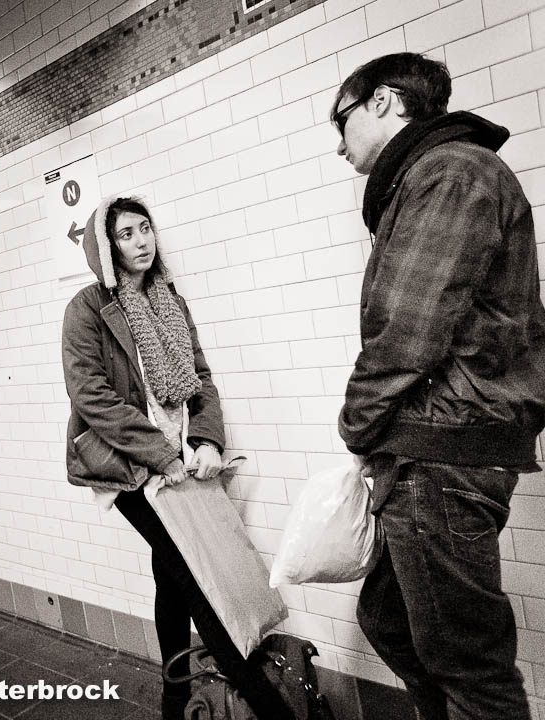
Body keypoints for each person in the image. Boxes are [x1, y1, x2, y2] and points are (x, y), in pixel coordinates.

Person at [332, 52, 545, 719]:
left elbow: (407, 329)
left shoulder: (450, 172)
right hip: (433, 443)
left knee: (470, 668)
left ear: (384, 101)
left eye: (341, 121)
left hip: (444, 449)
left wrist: (356, 425)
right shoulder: (438, 174)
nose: (338, 143)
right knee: (390, 621)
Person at [61, 196, 296, 720]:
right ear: (106, 247)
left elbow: (200, 379)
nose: (141, 241)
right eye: (126, 234)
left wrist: (207, 441)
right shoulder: (87, 308)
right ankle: (272, 711)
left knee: (170, 577)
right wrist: (162, 456)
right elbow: (90, 395)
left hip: (176, 460)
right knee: (197, 579)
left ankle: (174, 702)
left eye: (145, 229)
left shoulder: (170, 300)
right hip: (126, 465)